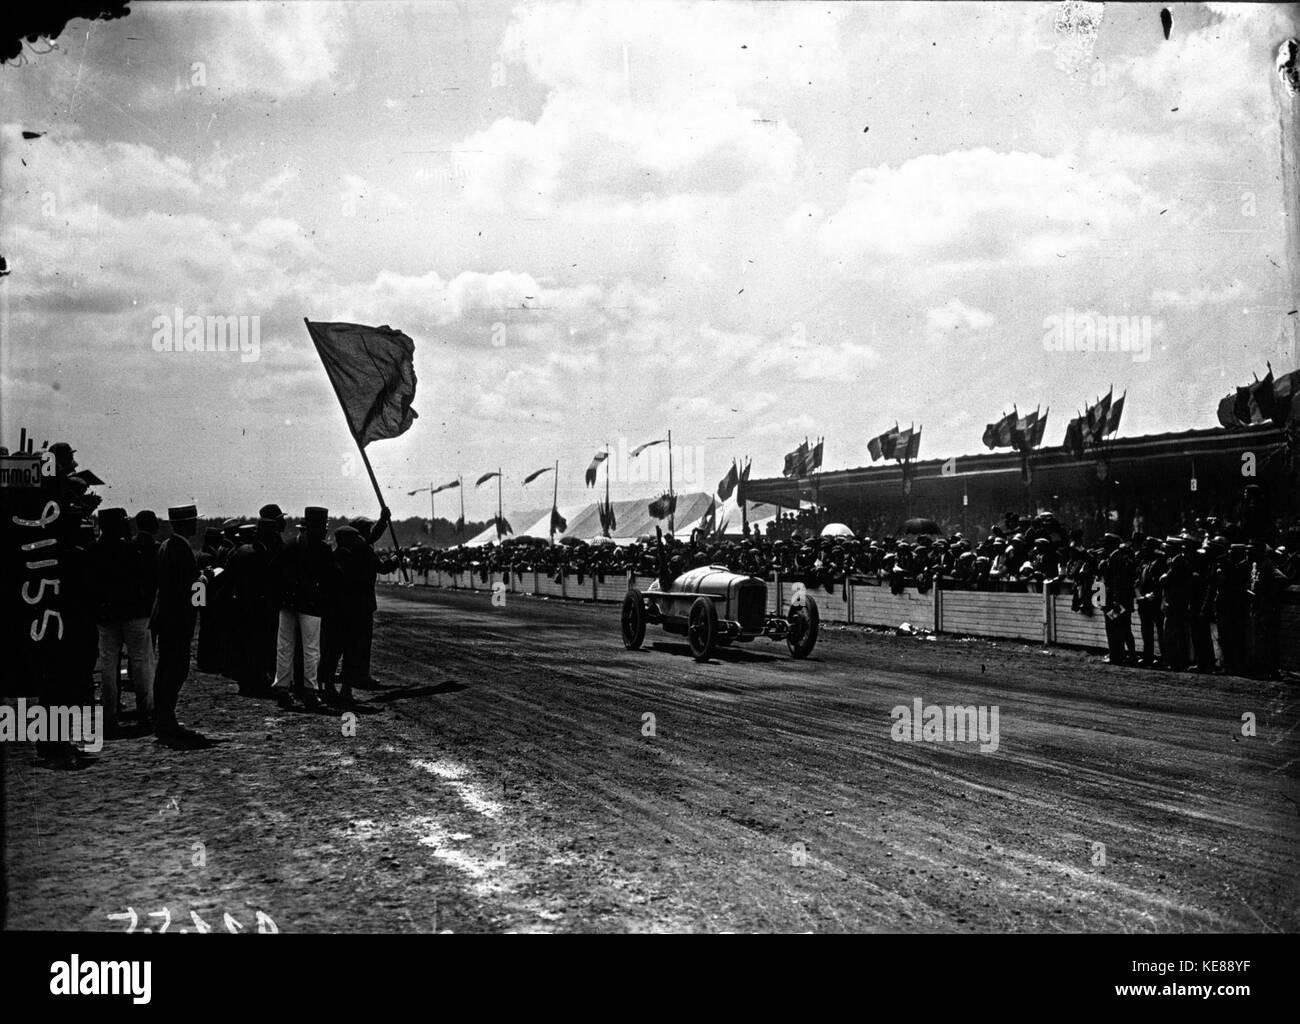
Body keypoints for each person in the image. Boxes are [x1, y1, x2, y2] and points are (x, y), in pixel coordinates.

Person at [90, 508, 154, 735]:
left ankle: (109, 715)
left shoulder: (95, 550)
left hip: (106, 616)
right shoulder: (130, 549)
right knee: (140, 663)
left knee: (108, 666)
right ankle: (145, 712)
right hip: (134, 613)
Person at [271, 507, 339, 712]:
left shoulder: (289, 546)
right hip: (310, 605)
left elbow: (274, 571)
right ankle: (310, 691)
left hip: (288, 603)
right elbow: (332, 579)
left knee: (284, 647)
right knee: (311, 650)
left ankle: (282, 689)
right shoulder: (323, 550)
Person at [152, 504, 207, 747]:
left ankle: (163, 719)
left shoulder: (166, 545)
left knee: (166, 669)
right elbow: (192, 592)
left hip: (166, 618)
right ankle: (167, 720)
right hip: (178, 619)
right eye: (193, 520)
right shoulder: (182, 549)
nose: (196, 524)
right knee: (175, 669)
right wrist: (205, 580)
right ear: (186, 523)